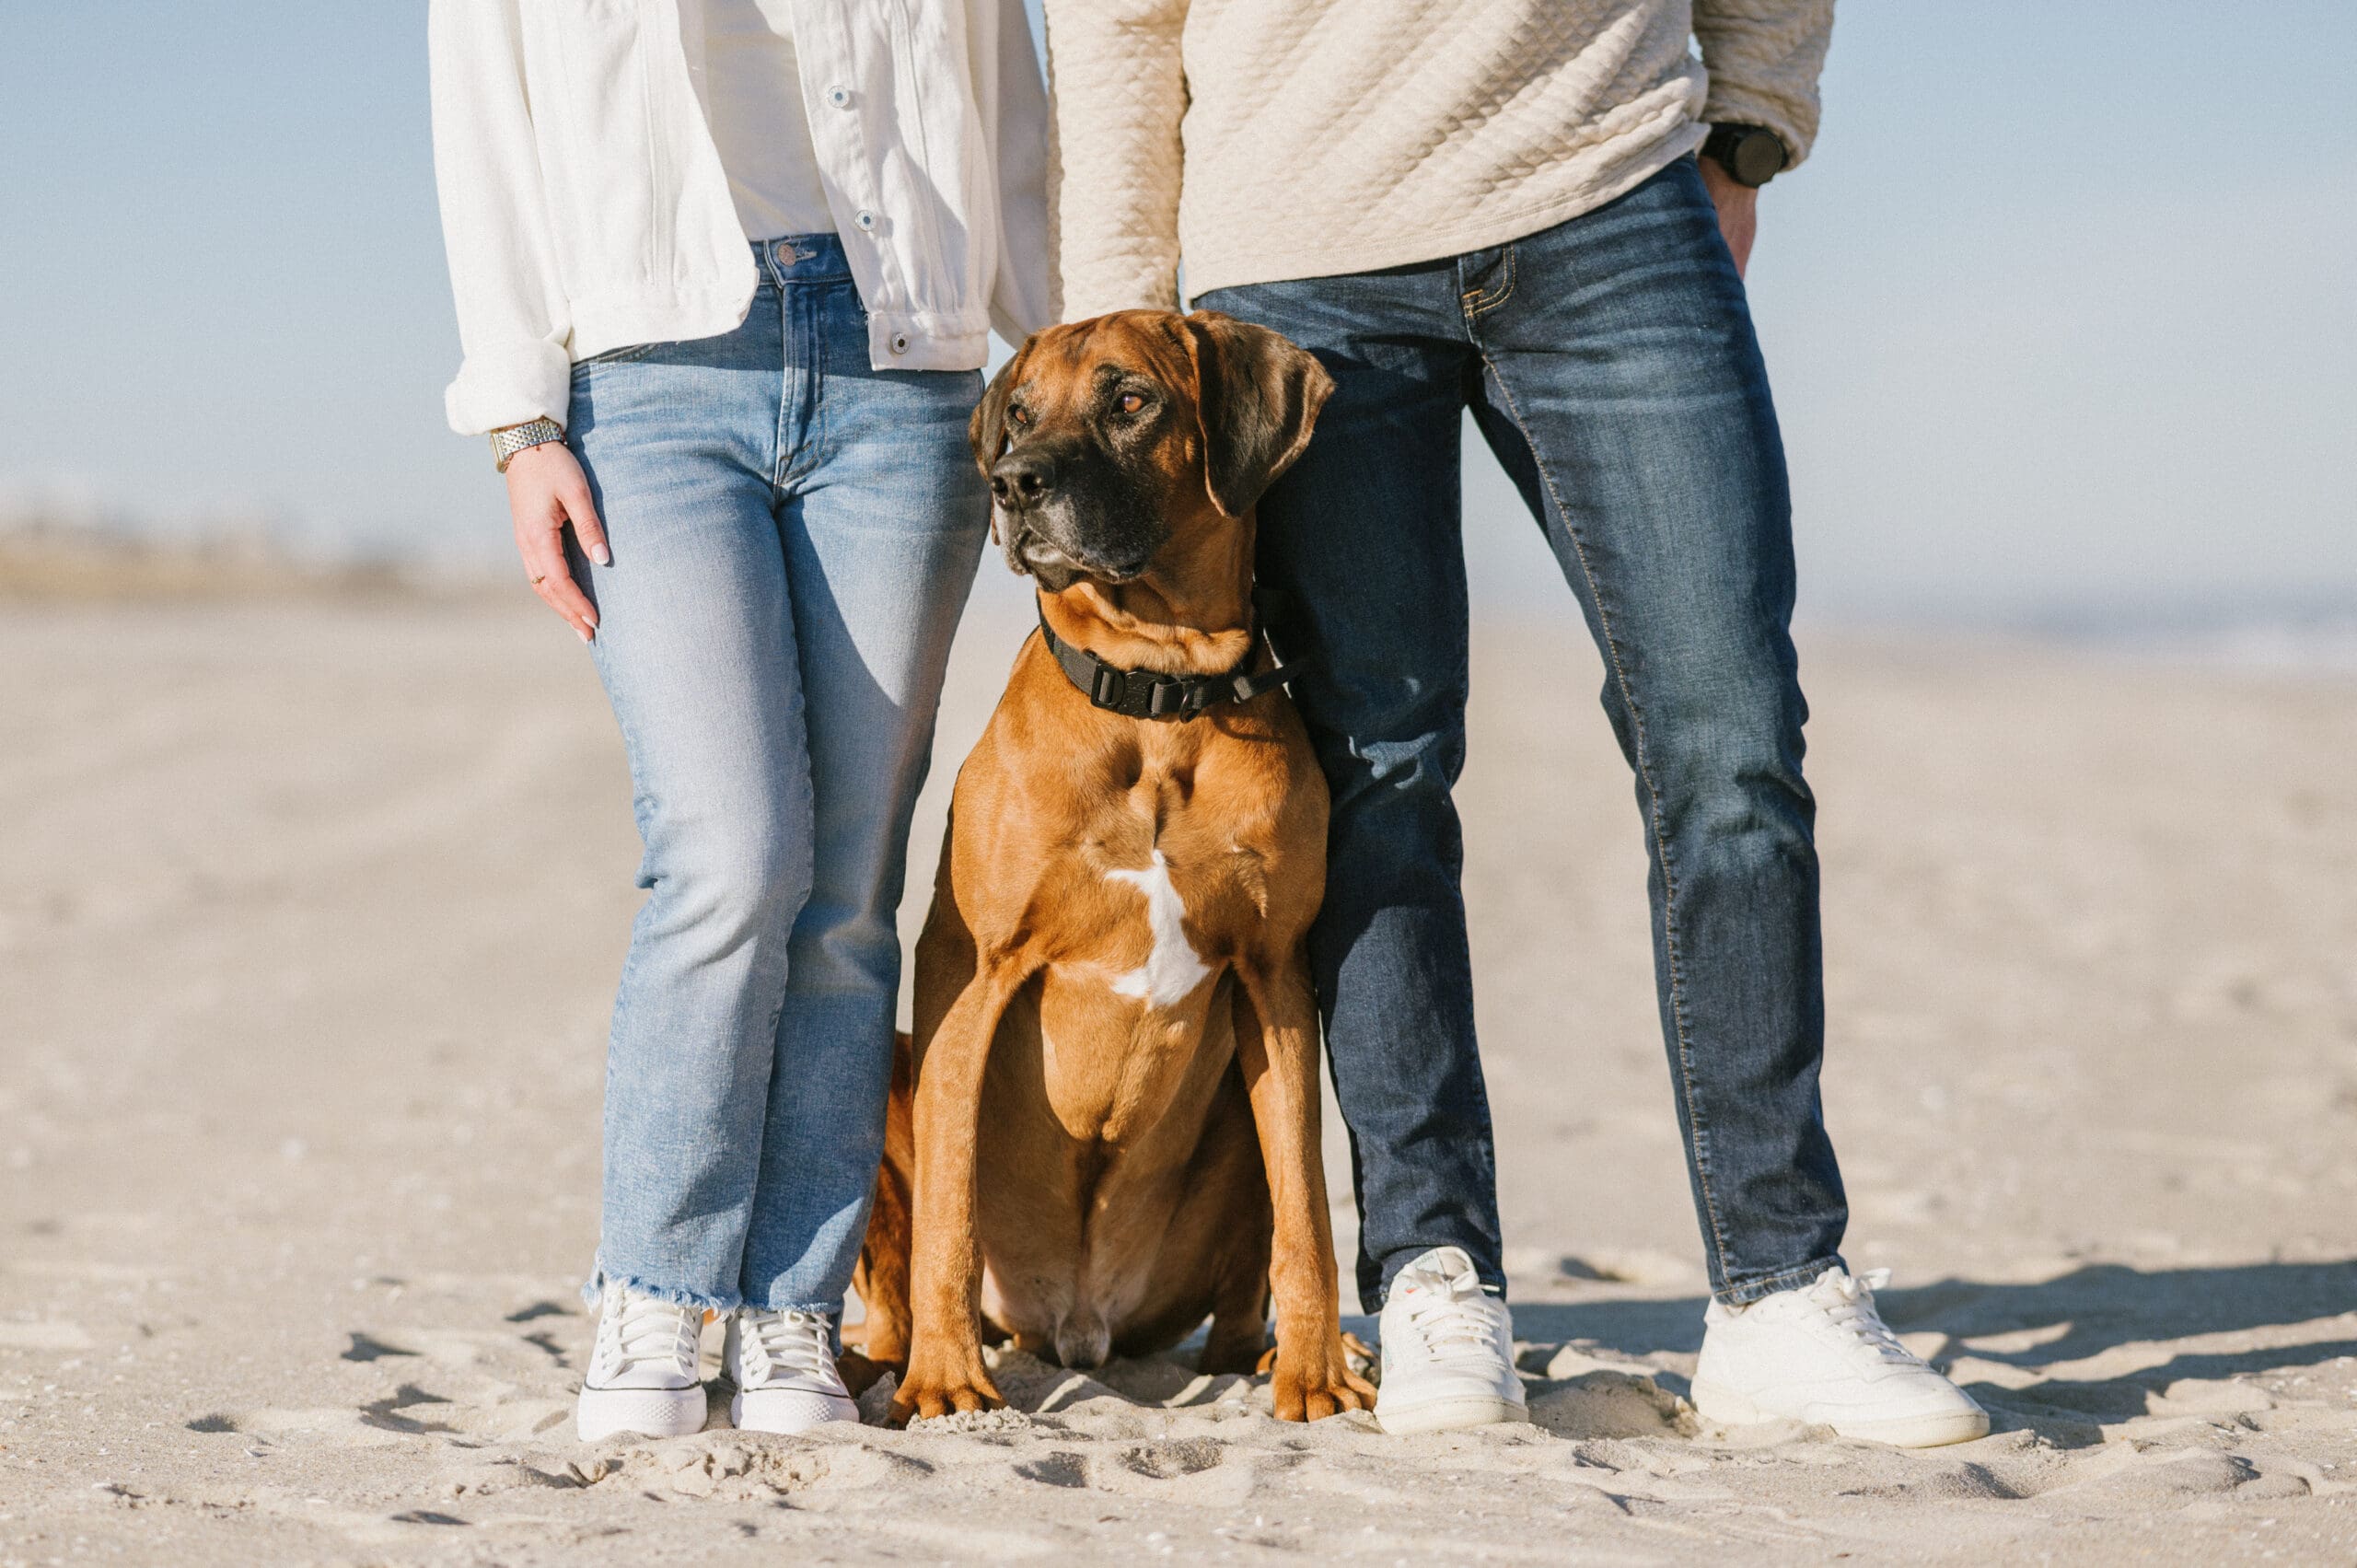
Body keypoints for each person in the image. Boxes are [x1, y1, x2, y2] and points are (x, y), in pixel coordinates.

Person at [1039, 0, 1990, 1445]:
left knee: (1729, 739)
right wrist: (1122, 315)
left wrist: (1745, 126)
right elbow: (1119, 19)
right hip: (1297, 234)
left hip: (1605, 186)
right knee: (1379, 770)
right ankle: (1435, 1272)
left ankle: (1782, 1288)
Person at [428, 0, 1048, 1441]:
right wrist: (522, 426)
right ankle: (657, 1284)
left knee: (846, 890)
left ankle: (790, 1311)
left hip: (909, 365)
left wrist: (1048, 338)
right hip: (652, 379)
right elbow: (487, 125)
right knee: (729, 852)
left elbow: (1006, 97)